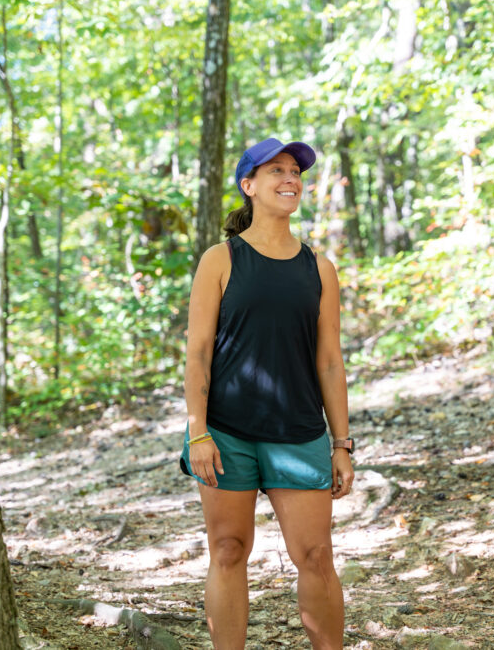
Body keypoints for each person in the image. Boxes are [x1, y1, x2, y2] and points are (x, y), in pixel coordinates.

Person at [181, 137, 355, 650]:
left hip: (298, 434)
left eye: (296, 171)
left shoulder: (318, 269)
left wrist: (341, 444)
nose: (290, 178)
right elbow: (198, 354)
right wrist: (198, 433)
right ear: (248, 186)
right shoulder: (220, 259)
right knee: (229, 550)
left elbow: (329, 361)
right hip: (226, 433)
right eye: (275, 169)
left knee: (316, 557)